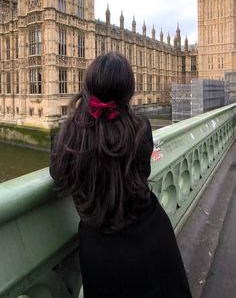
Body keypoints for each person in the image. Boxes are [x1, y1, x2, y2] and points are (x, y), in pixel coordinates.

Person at [50, 52, 192, 298]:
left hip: (100, 250)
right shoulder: (140, 128)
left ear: (88, 86)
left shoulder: (68, 137)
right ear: (128, 90)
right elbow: (143, 171)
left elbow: (57, 174)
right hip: (150, 236)